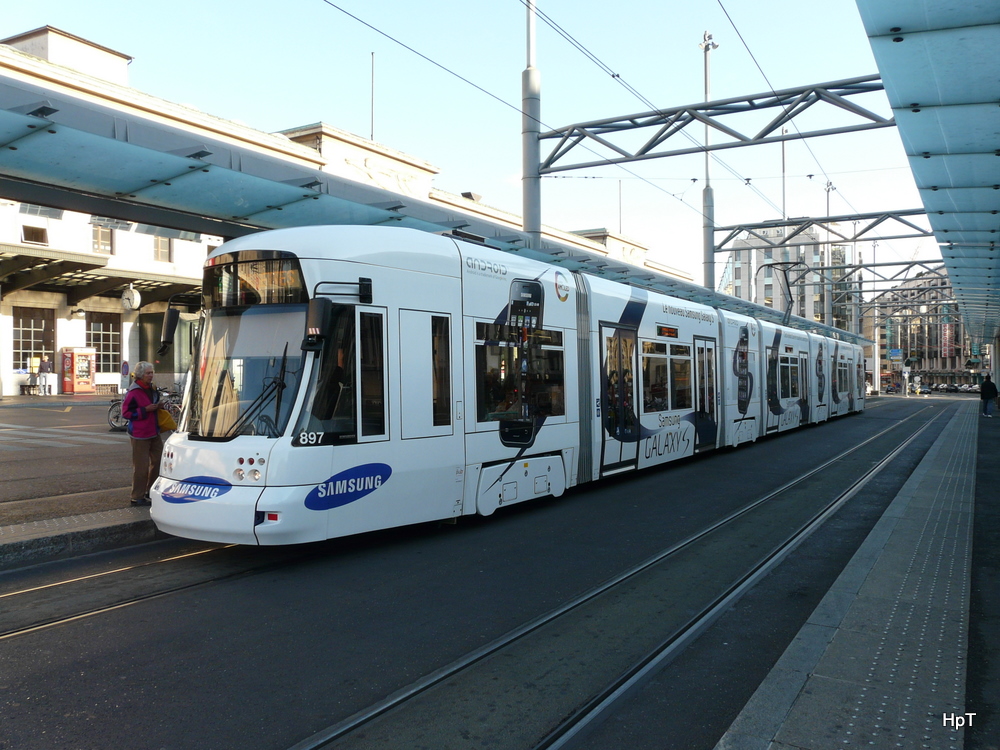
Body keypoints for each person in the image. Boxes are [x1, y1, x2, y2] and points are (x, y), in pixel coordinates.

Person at [122, 361, 165, 506]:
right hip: (139, 434)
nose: (151, 375)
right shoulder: (133, 392)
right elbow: (126, 413)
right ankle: (137, 496)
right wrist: (145, 410)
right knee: (141, 467)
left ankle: (151, 490)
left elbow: (153, 404)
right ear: (140, 375)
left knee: (159, 461)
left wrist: (158, 406)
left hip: (154, 431)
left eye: (152, 372)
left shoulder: (151, 388)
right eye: (148, 373)